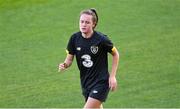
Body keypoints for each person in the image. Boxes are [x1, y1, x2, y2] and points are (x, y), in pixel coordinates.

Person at [58, 8, 119, 109]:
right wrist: (64, 65)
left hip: (101, 82)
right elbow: (69, 60)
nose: (83, 24)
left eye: (87, 22)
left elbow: (116, 54)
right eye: (81, 22)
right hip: (86, 83)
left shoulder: (101, 39)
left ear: (93, 24)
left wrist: (112, 76)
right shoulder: (74, 39)